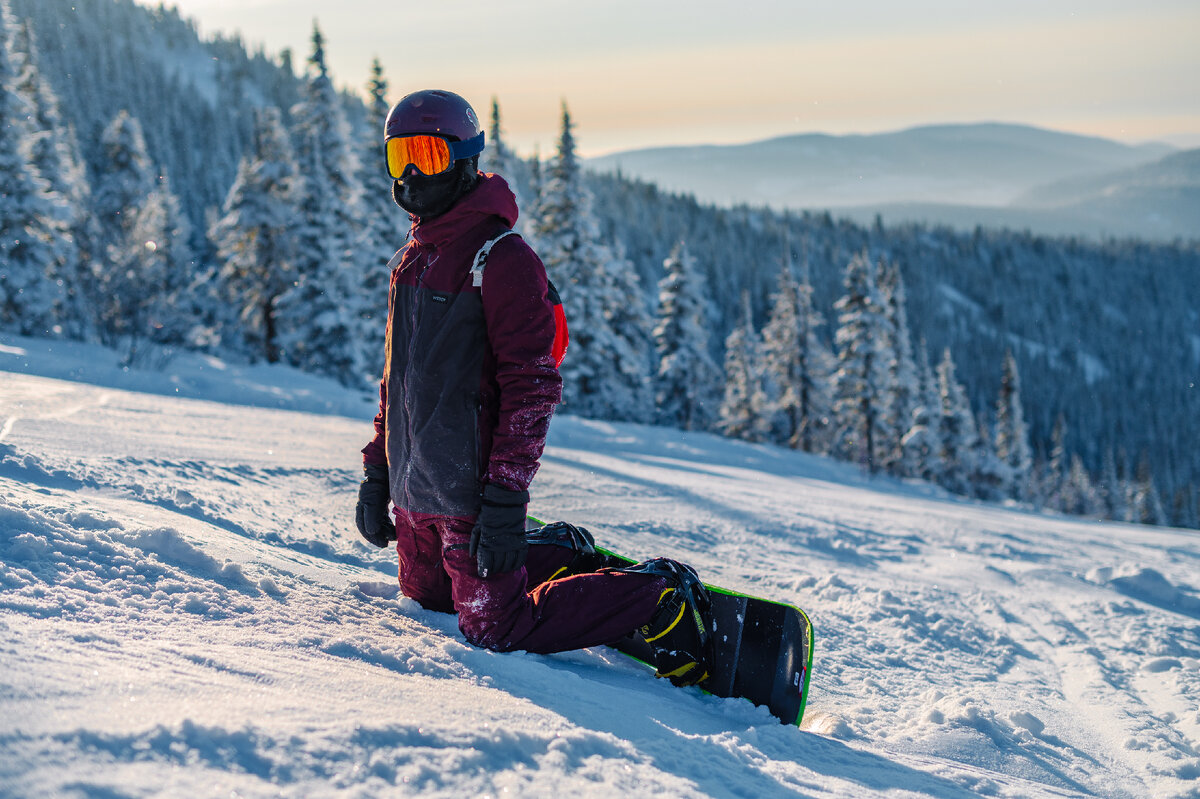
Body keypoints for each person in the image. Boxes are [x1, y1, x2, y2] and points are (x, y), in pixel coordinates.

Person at [354, 89, 711, 686]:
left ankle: (661, 596)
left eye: (428, 156)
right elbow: (399, 383)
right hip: (418, 491)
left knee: (495, 627)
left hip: (469, 491)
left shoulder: (503, 259)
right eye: (399, 158)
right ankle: (560, 553)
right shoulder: (412, 260)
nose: (412, 173)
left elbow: (531, 390)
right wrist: (377, 474)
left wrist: (503, 501)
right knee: (431, 605)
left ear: (465, 162)